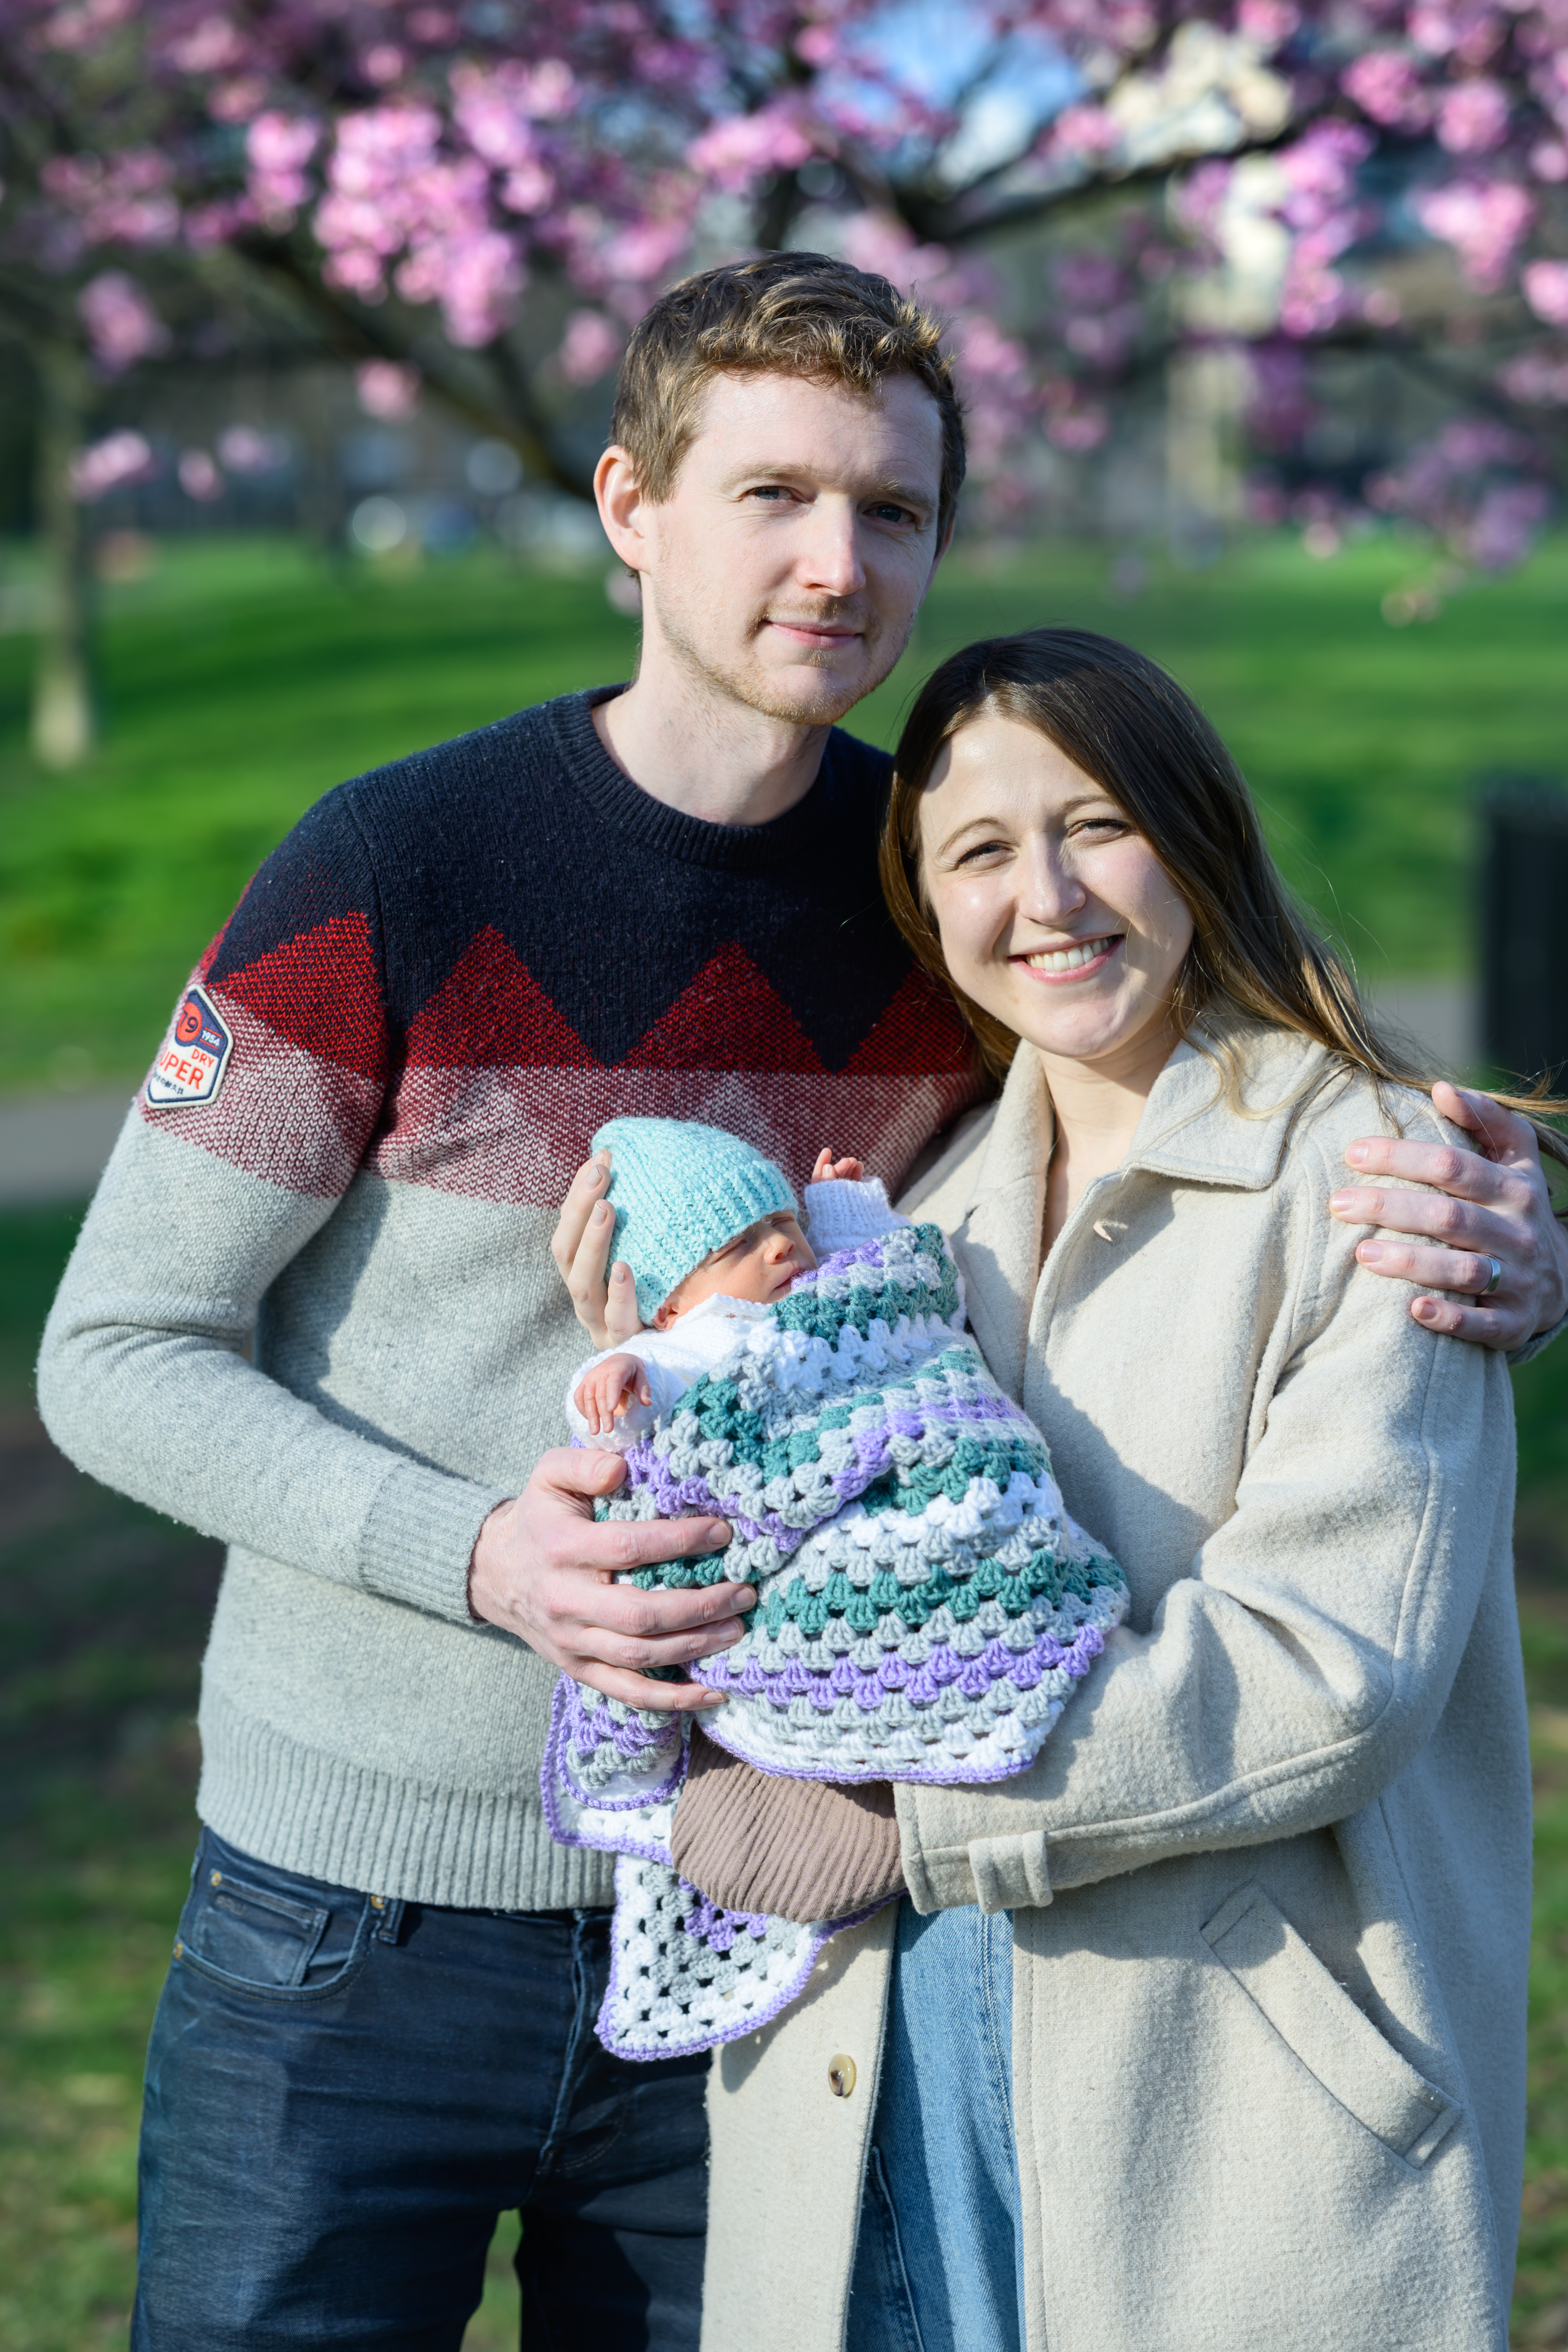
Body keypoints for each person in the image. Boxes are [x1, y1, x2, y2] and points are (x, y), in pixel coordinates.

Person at [35, 236, 1563, 2348]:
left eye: (892, 507)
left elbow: (1181, 1161)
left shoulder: (943, 894)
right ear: (631, 507)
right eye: (774, 493)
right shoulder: (396, 866)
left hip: (787, 1955)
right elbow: (116, 1354)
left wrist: (1496, 1234)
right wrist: (484, 1555)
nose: (838, 562)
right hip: (359, 1925)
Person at [686, 628, 1562, 2352]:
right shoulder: (914, 1229)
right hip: (883, 2075)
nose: (1050, 897)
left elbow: (1326, 1675)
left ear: (1197, 833)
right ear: (927, 904)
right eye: (981, 850)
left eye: (1097, 824)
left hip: (1227, 2091)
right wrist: (667, 1373)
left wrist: (908, 1817)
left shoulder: (1378, 1185)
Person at [544, 1117, 1126, 2064]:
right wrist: (614, 1375)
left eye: (786, 1223)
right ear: (670, 1302)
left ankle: (957, 1670)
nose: (782, 1248)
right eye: (740, 1245)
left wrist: (847, 1206)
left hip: (919, 1452)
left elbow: (899, 1296)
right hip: (788, 1516)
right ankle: (837, 1763)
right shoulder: (696, 1343)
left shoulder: (837, 1292)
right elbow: (642, 1407)